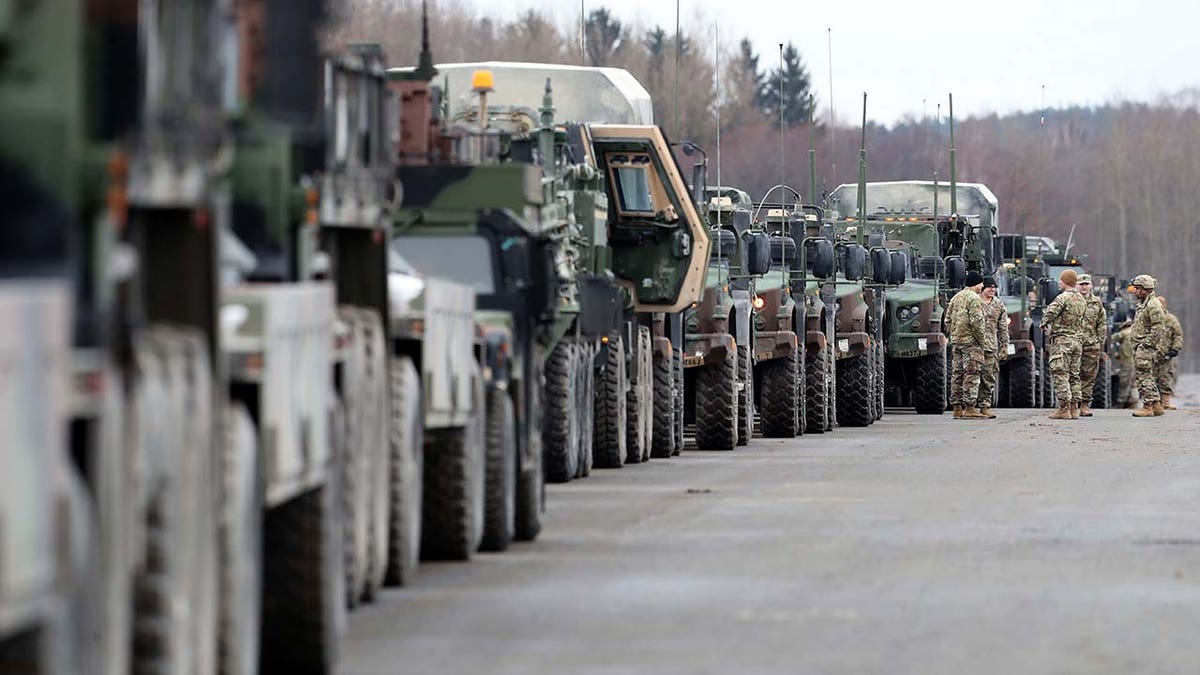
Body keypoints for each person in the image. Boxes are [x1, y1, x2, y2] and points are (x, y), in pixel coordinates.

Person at [1040, 269, 1086, 420]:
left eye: (1061, 280)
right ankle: (1074, 408)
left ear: (1066, 281)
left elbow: (1050, 313)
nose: (1059, 282)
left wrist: (1043, 323)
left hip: (1062, 341)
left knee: (1060, 373)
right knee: (1074, 375)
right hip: (1077, 341)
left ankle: (1063, 408)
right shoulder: (1081, 299)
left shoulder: (1062, 298)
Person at [946, 270, 989, 419]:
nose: (983, 286)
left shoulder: (956, 298)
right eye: (981, 283)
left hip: (957, 341)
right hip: (971, 342)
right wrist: (982, 340)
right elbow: (977, 322)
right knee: (972, 373)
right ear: (976, 283)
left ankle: (957, 408)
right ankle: (970, 407)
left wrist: (954, 335)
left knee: (957, 374)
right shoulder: (974, 299)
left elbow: (947, 320)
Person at [1128, 274, 1168, 417]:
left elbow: (1159, 328)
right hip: (1140, 345)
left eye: (1137, 288)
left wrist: (1146, 345)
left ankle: (1148, 406)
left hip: (1145, 347)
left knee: (1144, 376)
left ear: (1145, 289)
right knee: (1145, 375)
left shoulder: (1153, 304)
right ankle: (1156, 405)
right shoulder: (1144, 303)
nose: (1134, 291)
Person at [975, 276, 1008, 418]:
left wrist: (1004, 345)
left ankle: (984, 406)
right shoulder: (974, 302)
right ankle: (968, 405)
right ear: (982, 288)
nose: (992, 290)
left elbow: (1003, 327)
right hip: (974, 346)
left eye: (994, 288)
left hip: (990, 347)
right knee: (971, 376)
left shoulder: (999, 305)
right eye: (990, 287)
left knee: (988, 377)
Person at [1076, 274, 1108, 417]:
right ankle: (1069, 404)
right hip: (1073, 344)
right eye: (1081, 284)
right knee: (1071, 374)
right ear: (1076, 285)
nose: (1084, 287)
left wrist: (1099, 341)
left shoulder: (1096, 303)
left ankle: (1084, 405)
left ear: (1091, 286)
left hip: (1090, 345)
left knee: (1088, 376)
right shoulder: (1070, 300)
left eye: (1086, 284)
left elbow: (1102, 323)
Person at [1156, 295, 1184, 410]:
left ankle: (1166, 402)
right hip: (1152, 353)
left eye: (1161, 304)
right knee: (1150, 378)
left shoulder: (1171, 319)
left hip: (1166, 354)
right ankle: (1153, 402)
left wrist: (1174, 349)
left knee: (1166, 377)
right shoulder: (1151, 318)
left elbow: (1178, 335)